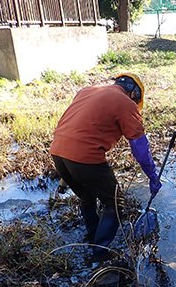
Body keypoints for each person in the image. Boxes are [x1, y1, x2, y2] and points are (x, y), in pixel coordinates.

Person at [50, 72, 161, 260]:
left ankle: (92, 237)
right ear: (134, 94)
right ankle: (100, 254)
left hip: (58, 153)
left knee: (87, 197)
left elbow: (77, 128)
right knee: (115, 203)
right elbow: (140, 149)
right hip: (85, 157)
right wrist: (153, 176)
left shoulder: (87, 91)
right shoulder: (126, 103)